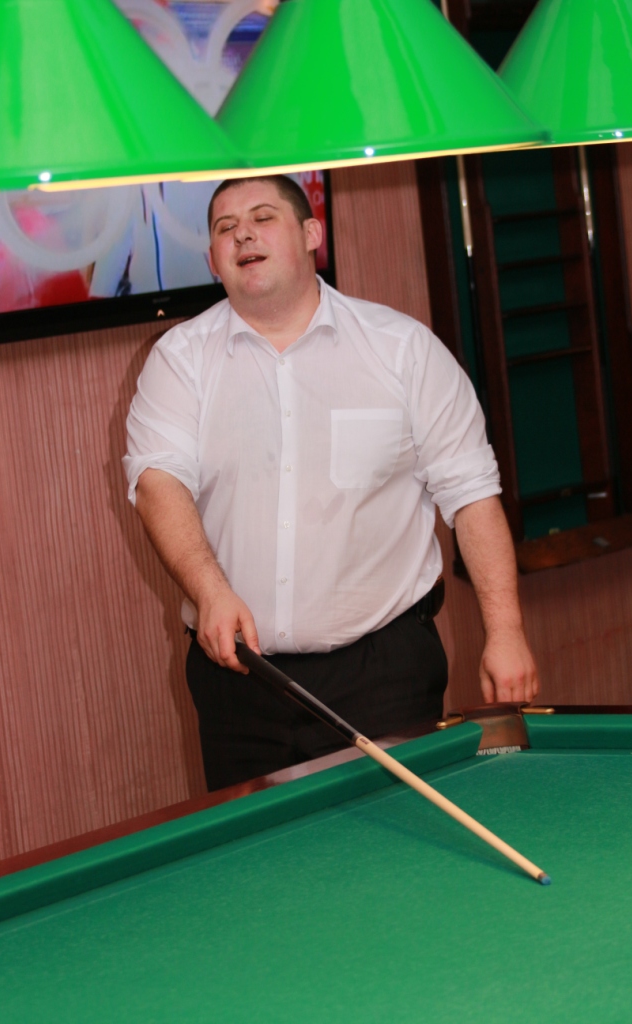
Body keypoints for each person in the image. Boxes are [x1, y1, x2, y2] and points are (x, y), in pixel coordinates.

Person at [123, 175, 538, 790]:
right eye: (225, 228)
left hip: (384, 674)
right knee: (260, 851)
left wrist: (505, 633)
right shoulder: (179, 360)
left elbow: (472, 498)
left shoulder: (403, 350)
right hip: (238, 680)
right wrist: (209, 591)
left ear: (311, 234)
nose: (243, 235)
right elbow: (158, 483)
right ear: (213, 259)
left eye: (262, 218)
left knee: (394, 846)